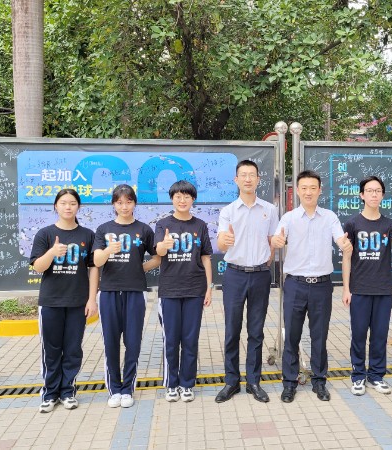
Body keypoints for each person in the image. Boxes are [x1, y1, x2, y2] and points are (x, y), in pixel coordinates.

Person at [272, 170, 352, 403]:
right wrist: (277, 241)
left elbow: (340, 238)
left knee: (319, 336)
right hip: (295, 284)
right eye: (304, 188)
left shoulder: (329, 217)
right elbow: (277, 238)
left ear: (319, 190)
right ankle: (289, 383)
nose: (308, 192)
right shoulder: (289, 218)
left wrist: (345, 244)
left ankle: (319, 381)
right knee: (291, 336)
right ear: (297, 190)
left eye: (313, 188)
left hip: (321, 286)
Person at [342, 176, 392, 396]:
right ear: (362, 195)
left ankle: (376, 376)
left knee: (380, 335)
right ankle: (358, 376)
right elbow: (346, 258)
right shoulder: (352, 224)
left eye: (378, 191)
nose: (374, 194)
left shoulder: (389, 224)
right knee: (358, 335)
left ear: (383, 195)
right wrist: (346, 288)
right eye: (369, 190)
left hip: (383, 290)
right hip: (359, 289)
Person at [215, 160, 279, 404]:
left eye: (252, 175)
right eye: (243, 175)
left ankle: (254, 381)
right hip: (235, 275)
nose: (248, 179)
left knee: (256, 330)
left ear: (258, 179)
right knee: (232, 330)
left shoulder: (269, 210)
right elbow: (221, 243)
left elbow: (273, 240)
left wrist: (266, 261)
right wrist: (225, 241)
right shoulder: (228, 211)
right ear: (236, 180)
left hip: (261, 275)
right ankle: (231, 381)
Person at [30, 188, 99, 413]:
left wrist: (92, 299)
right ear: (55, 206)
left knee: (72, 349)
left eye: (72, 203)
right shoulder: (45, 234)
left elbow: (93, 269)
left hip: (78, 302)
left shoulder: (88, 235)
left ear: (79, 207)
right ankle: (50, 394)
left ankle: (68, 391)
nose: (68, 207)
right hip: (51, 301)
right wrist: (52, 253)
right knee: (51, 350)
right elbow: (38, 267)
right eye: (63, 203)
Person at [93, 184, 160, 408]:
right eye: (120, 202)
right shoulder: (103, 229)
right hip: (109, 292)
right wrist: (108, 251)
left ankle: (127, 388)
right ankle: (114, 389)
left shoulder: (144, 229)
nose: (124, 206)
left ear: (134, 203)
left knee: (133, 342)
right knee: (110, 342)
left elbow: (157, 257)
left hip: (135, 291)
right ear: (114, 204)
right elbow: (97, 261)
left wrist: (140, 269)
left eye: (128, 202)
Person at [155, 181, 213, 403]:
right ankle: (171, 384)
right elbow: (158, 252)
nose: (182, 200)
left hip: (195, 289)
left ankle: (187, 384)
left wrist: (209, 288)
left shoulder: (200, 225)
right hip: (169, 290)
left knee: (190, 339)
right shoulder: (163, 224)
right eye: (178, 196)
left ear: (193, 199)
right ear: (172, 199)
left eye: (186, 197)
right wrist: (164, 245)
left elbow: (206, 258)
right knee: (171, 340)